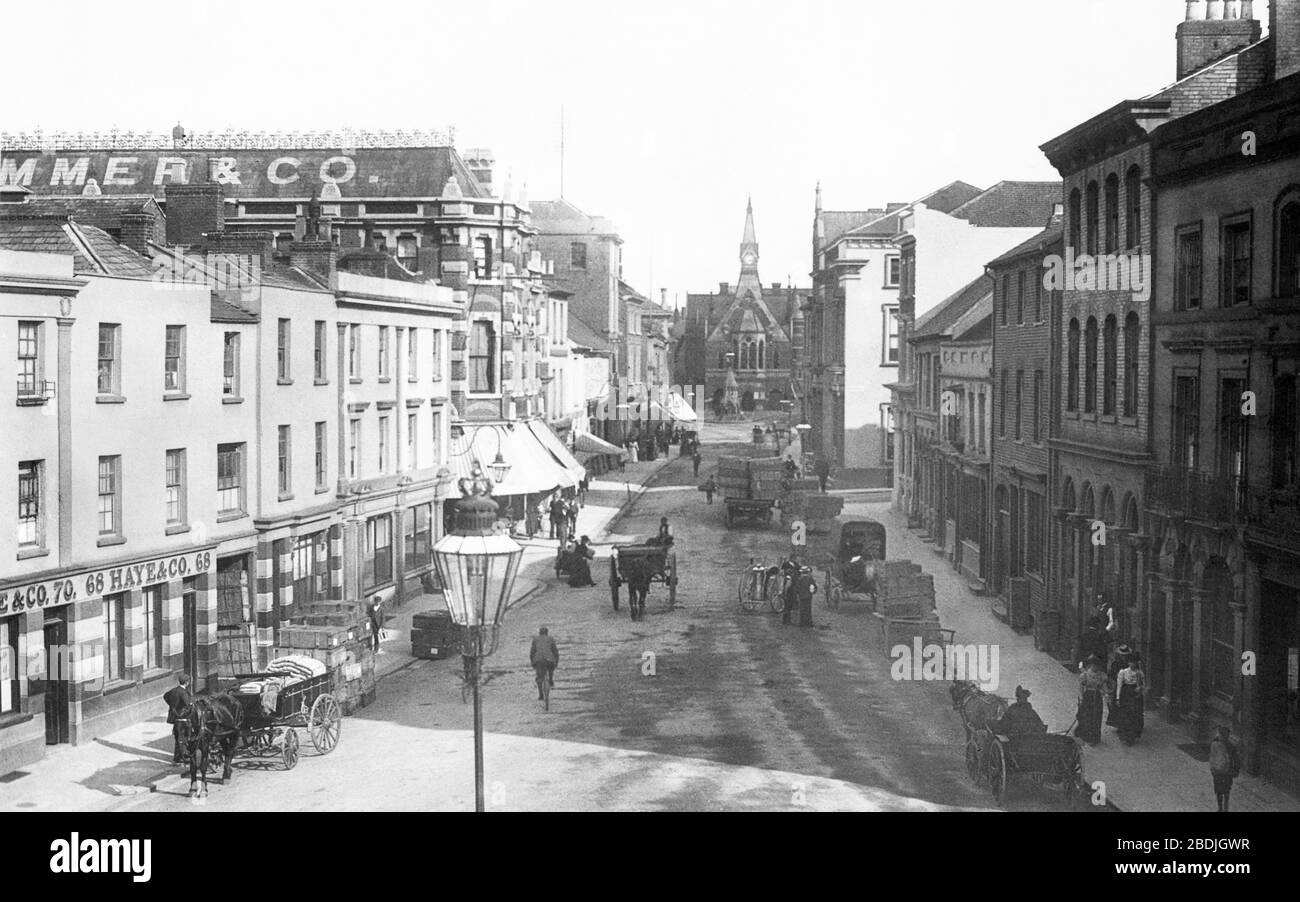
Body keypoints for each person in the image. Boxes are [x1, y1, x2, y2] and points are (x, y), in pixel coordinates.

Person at [1209, 725, 1242, 812]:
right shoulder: (1219, 744)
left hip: (1224, 772)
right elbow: (1213, 756)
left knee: (1224, 790)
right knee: (1221, 791)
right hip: (1220, 772)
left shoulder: (1228, 746)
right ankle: (1222, 807)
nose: (1220, 736)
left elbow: (1236, 759)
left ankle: (1223, 807)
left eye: (1221, 734)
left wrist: (1236, 770)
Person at [1115, 653, 1146, 744]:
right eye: (1131, 662)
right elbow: (1119, 686)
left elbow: (1144, 685)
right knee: (1126, 715)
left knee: (1135, 715)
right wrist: (1117, 698)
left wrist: (1140, 688)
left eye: (1134, 662)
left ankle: (1133, 736)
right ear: (1128, 663)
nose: (1133, 664)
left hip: (1136, 696)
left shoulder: (1140, 673)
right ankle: (1125, 736)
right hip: (1126, 694)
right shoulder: (1123, 672)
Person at [163, 674, 194, 764]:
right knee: (183, 738)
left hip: (175, 718)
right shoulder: (183, 693)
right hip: (182, 718)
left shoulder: (174, 690)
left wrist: (172, 707)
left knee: (178, 739)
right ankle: (183, 757)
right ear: (187, 682)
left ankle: (176, 759)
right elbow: (188, 704)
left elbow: (165, 696)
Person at [1075, 655, 1106, 744]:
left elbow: (1104, 686)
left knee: (1096, 716)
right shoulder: (1084, 675)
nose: (1095, 667)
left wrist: (1106, 694)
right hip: (1088, 696)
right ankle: (1087, 736)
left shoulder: (1101, 675)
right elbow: (1081, 687)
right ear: (1090, 665)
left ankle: (1095, 737)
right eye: (1093, 665)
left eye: (1097, 665)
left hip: (1097, 697)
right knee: (1088, 716)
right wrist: (1081, 698)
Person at [1106, 644, 1131, 729]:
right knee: (1116, 703)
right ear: (1120, 655)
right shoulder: (1116, 663)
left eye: (1125, 655)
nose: (1124, 657)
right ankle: (1117, 722)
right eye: (1122, 655)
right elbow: (1112, 674)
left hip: (1128, 686)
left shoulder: (1130, 663)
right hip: (1118, 686)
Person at [529, 627, 559, 699]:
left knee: (539, 677)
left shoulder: (535, 639)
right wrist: (556, 662)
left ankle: (541, 695)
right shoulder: (551, 639)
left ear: (539, 633)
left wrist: (533, 662)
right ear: (547, 633)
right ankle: (551, 679)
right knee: (551, 668)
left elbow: (532, 653)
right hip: (549, 660)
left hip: (538, 660)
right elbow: (555, 652)